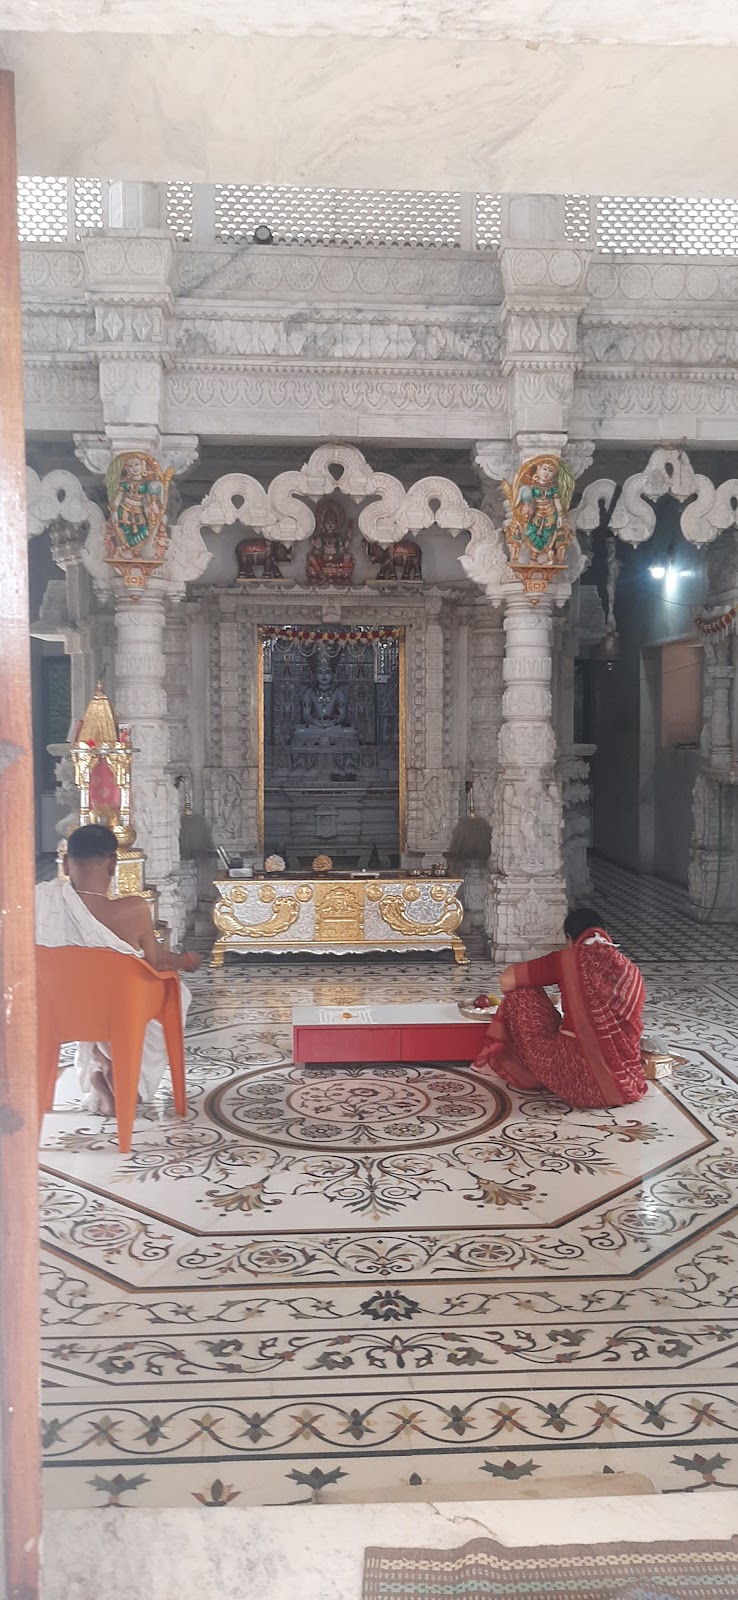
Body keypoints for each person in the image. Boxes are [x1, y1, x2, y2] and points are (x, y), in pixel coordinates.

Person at [35, 824, 202, 1116]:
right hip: (120, 1011)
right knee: (174, 993)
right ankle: (127, 1083)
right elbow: (155, 963)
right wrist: (186, 961)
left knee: (91, 988)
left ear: (64, 863)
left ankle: (101, 1062)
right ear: (112, 864)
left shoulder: (43, 903)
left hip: (61, 1012)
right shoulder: (132, 910)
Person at [473, 908, 646, 1108]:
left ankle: (517, 1067)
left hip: (576, 1082)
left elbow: (506, 981)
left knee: (521, 995)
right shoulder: (631, 970)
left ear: (570, 938)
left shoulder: (568, 959)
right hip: (626, 1085)